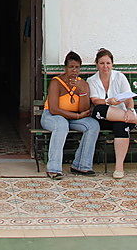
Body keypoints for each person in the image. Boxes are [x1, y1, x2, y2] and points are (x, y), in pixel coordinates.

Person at [87, 48, 137, 179]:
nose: (105, 66)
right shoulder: (91, 80)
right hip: (103, 119)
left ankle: (119, 168)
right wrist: (108, 101)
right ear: (96, 64)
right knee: (99, 109)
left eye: (108, 63)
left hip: (123, 117)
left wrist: (128, 110)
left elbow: (129, 98)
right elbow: (94, 100)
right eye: (102, 63)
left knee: (121, 125)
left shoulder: (119, 77)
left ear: (112, 64)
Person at [40, 51, 100, 179]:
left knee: (93, 125)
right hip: (51, 117)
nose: (74, 70)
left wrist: (83, 91)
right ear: (65, 68)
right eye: (71, 67)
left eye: (77, 67)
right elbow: (54, 109)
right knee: (61, 124)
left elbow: (83, 109)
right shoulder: (56, 82)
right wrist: (77, 117)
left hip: (71, 117)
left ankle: (81, 165)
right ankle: (54, 169)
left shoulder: (82, 84)